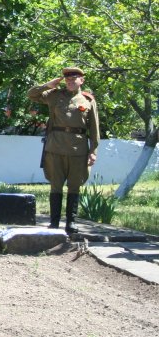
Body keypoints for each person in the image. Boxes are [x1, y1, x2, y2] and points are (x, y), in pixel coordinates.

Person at [27, 67, 100, 234]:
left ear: (81, 80)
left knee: (74, 186)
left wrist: (93, 151)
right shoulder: (54, 95)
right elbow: (31, 94)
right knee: (56, 185)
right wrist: (48, 85)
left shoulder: (88, 100)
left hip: (78, 149)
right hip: (55, 148)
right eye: (67, 79)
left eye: (73, 79)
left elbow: (94, 128)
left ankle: (71, 222)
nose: (70, 82)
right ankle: (54, 222)